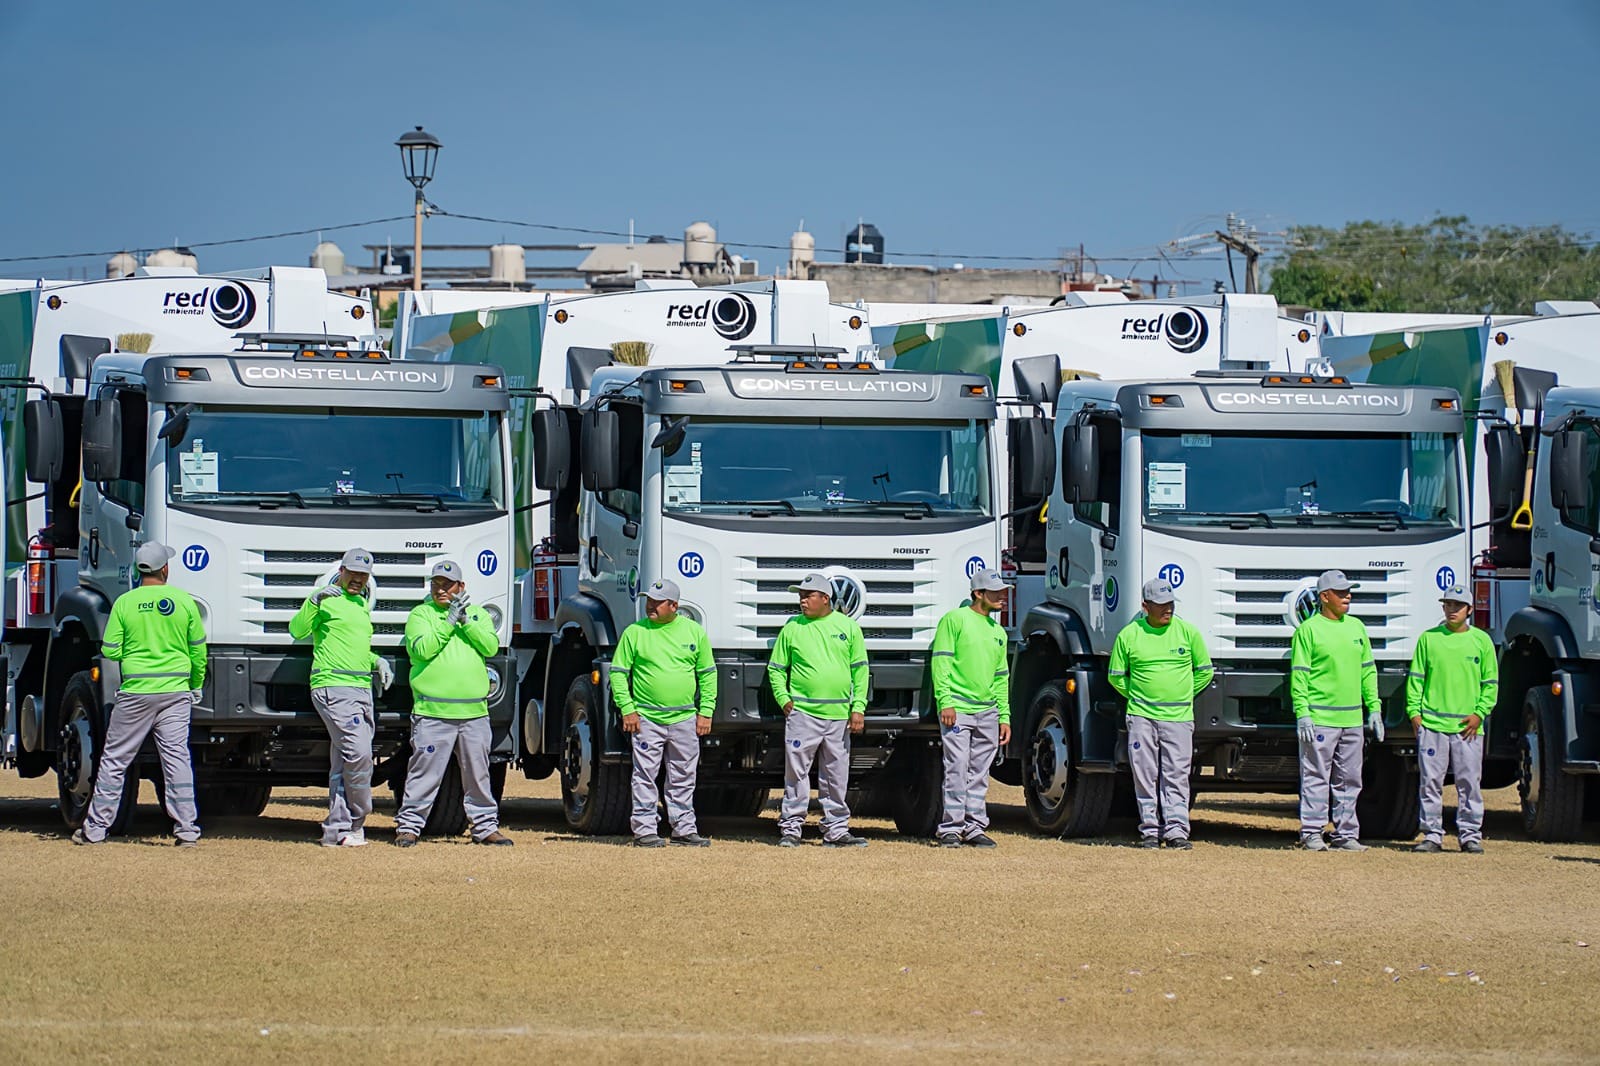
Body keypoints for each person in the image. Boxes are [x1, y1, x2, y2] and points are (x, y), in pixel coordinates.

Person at [73, 542, 206, 847]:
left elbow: (110, 650)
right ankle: (186, 830)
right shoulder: (183, 602)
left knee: (115, 760)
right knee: (176, 759)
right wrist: (195, 683)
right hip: (175, 692)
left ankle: (95, 830)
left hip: (136, 693)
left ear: (137, 570)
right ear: (165, 569)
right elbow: (198, 650)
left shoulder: (124, 603)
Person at [393, 560, 512, 847]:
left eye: (447, 584)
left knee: (479, 774)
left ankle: (485, 828)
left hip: (473, 712)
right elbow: (421, 649)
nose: (441, 589)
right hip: (433, 711)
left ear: (461, 587)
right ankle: (409, 827)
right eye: (436, 584)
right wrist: (448, 623)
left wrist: (464, 620)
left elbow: (489, 646)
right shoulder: (421, 614)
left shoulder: (477, 615)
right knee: (424, 773)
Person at [289, 547, 394, 848]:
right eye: (353, 573)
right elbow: (296, 630)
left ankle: (338, 830)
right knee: (359, 754)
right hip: (333, 686)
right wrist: (314, 600)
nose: (358, 579)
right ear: (342, 571)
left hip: (361, 688)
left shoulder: (361, 606)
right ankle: (358, 821)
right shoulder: (327, 600)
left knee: (342, 763)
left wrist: (377, 661)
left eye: (363, 575)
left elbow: (354, 646)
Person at [1108, 578, 1213, 849]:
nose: (1168, 609)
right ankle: (1150, 831)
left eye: (1170, 604)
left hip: (1178, 719)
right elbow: (1116, 677)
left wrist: (1183, 694)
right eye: (1161, 605)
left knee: (1177, 775)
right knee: (1145, 775)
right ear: (1145, 606)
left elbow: (1205, 671)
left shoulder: (1188, 633)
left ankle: (1177, 831)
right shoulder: (1129, 635)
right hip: (1142, 717)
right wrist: (1138, 697)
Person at [768, 573, 869, 848]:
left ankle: (836, 831)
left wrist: (858, 707)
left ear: (825, 599)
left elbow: (860, 671)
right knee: (796, 774)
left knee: (836, 776)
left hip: (838, 717)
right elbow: (776, 669)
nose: (802, 601)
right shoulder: (792, 628)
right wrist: (784, 699)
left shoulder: (848, 627)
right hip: (803, 715)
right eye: (800, 596)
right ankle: (791, 829)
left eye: (807, 596)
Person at [613, 578, 716, 848]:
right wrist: (628, 709)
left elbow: (707, 675)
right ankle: (645, 830)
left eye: (657, 603)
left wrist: (706, 711)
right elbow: (619, 673)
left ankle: (684, 829)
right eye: (649, 601)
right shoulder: (634, 633)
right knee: (645, 774)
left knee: (683, 775)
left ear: (674, 605)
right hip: (646, 718)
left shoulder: (694, 632)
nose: (651, 607)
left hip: (685, 718)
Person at [1290, 569, 1380, 852]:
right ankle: (1312, 832)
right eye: (1341, 593)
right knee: (1316, 776)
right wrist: (1302, 711)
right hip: (1321, 720)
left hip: (1352, 720)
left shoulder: (1357, 627)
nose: (1348, 596)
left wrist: (1374, 709)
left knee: (1350, 780)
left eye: (1348, 591)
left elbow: (1368, 671)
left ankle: (1346, 834)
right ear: (1325, 597)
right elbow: (1300, 674)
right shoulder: (1309, 630)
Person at [1406, 584, 1497, 854]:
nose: (1452, 610)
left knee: (1469, 783)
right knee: (1430, 782)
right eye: (1448, 605)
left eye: (1458, 605)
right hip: (1432, 725)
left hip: (1467, 728)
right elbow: (1416, 680)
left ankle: (1470, 835)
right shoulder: (1429, 639)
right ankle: (1432, 834)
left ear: (1469, 609)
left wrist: (1480, 714)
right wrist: (1415, 714)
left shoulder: (1481, 641)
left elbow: (1490, 683)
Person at [930, 568, 1014, 848]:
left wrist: (1004, 716)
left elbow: (1002, 677)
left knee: (979, 772)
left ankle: (974, 826)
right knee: (957, 767)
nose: (1003, 597)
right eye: (996, 592)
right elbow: (941, 662)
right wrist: (946, 701)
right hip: (959, 710)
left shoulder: (998, 632)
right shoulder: (954, 620)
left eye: (1003, 592)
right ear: (978, 594)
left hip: (988, 712)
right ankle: (951, 828)